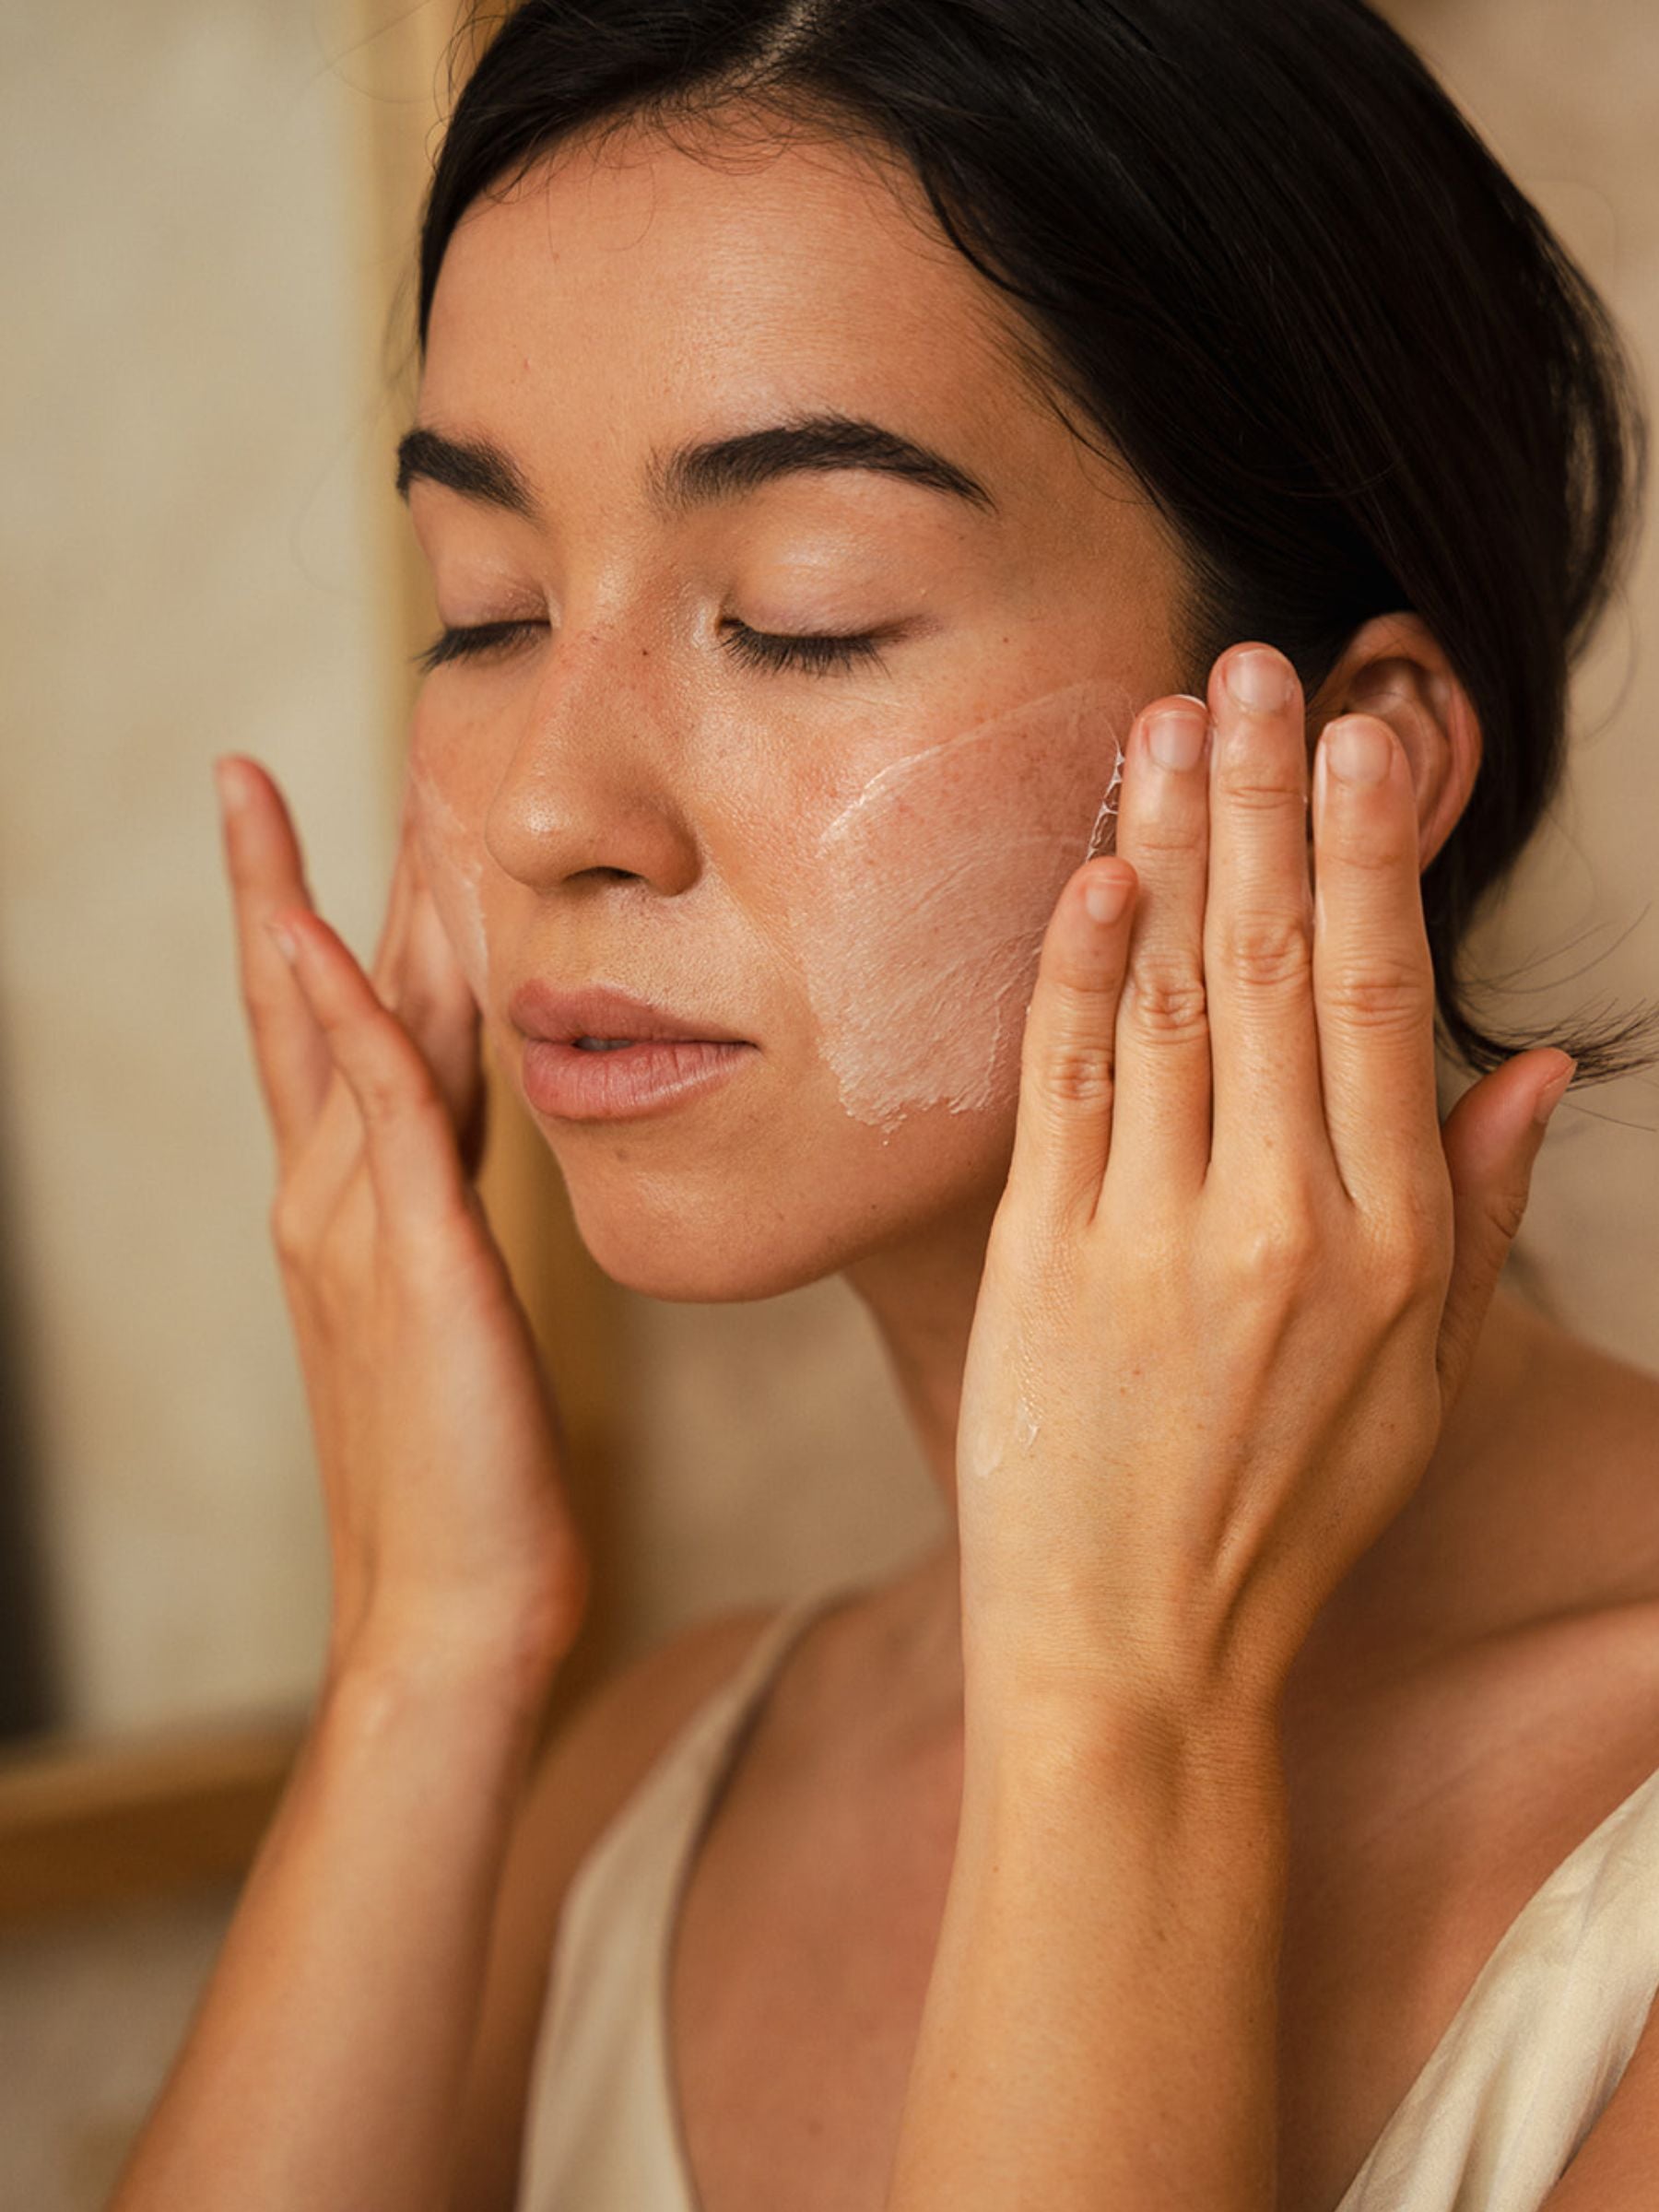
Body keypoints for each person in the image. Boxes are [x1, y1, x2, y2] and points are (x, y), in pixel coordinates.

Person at [112, 2, 1659, 2208]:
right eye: (491, 608)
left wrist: (1126, 1724)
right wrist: (422, 1658)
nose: (549, 804)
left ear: (1357, 757)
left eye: (799, 614)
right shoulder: (646, 1795)